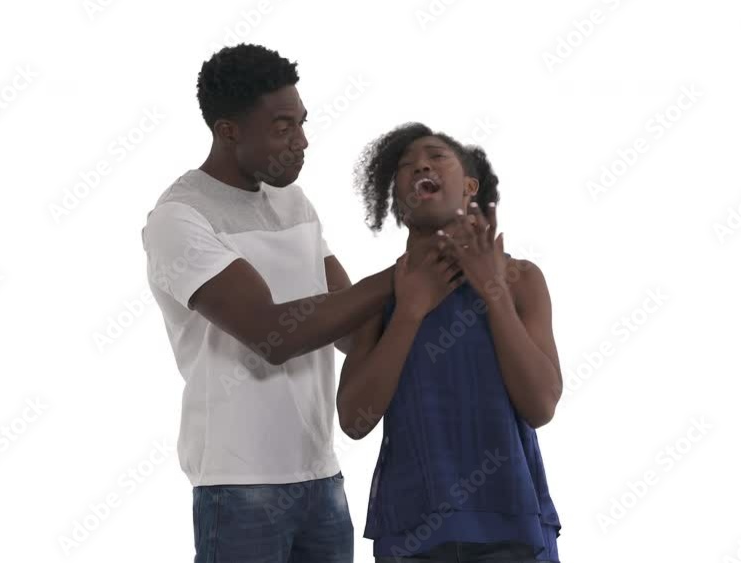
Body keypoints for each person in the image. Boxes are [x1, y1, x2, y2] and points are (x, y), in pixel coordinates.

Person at [141, 44, 442, 563]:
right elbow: (272, 335)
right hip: (238, 485)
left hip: (321, 475)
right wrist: (403, 275)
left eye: (302, 123)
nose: (302, 142)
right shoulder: (180, 218)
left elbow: (351, 323)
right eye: (283, 127)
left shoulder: (294, 203)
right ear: (228, 130)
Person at [337, 123, 564, 562]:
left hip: (512, 524)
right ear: (397, 201)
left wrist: (491, 290)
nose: (420, 164)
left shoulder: (522, 280)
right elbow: (354, 420)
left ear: (469, 187)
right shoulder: (379, 296)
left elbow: (541, 406)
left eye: (437, 156)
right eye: (404, 166)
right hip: (411, 531)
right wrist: (409, 312)